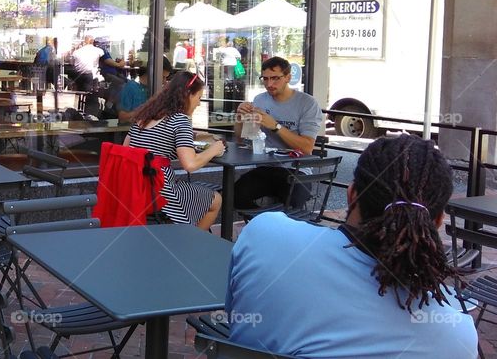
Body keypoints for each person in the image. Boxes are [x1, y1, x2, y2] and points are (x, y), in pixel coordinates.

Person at [225, 135, 477, 358]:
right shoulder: (455, 337)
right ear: (437, 221)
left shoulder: (263, 234)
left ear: (351, 194)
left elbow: (234, 314)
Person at [123, 71, 224, 230]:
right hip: (161, 192)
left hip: (133, 189)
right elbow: (190, 165)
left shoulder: (145, 116)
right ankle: (190, 244)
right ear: (188, 95)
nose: (198, 103)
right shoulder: (180, 119)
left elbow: (126, 148)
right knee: (216, 200)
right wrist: (215, 149)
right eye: (198, 97)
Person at [232, 56, 323, 209]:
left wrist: (275, 126)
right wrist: (240, 118)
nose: (269, 84)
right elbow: (242, 140)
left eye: (275, 78)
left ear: (288, 77)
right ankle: (266, 223)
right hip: (265, 168)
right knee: (231, 195)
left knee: (293, 203)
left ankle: (274, 224)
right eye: (265, 79)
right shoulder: (259, 100)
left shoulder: (307, 103)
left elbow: (307, 147)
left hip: (296, 170)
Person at [70, 35, 104, 116]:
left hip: (79, 79)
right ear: (92, 41)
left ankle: (80, 108)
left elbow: (72, 64)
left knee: (90, 80)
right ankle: (91, 112)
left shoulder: (76, 52)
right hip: (90, 79)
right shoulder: (99, 51)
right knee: (96, 83)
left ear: (85, 41)